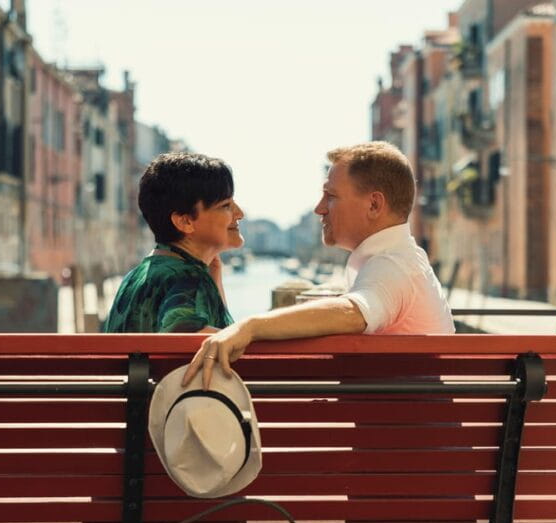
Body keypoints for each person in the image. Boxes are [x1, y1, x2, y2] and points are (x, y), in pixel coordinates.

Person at [183, 141, 454, 389]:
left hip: (398, 435)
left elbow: (354, 312)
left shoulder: (392, 266)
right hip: (405, 427)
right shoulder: (401, 259)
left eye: (330, 196)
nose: (319, 208)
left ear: (374, 204)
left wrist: (249, 326)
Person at [102, 152, 244, 333]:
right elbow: (181, 329)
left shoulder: (135, 277)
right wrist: (249, 334)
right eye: (225, 206)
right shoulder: (189, 277)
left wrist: (214, 279)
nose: (239, 213)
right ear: (185, 222)